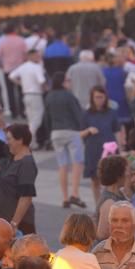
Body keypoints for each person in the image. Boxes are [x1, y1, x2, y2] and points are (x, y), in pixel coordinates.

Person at [43, 71, 87, 208]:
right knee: (77, 162)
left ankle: (64, 197)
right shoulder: (69, 96)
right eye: (67, 80)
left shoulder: (49, 96)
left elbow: (46, 117)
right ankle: (75, 193)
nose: (69, 82)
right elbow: (78, 114)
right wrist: (83, 129)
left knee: (62, 165)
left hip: (56, 132)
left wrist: (48, 133)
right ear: (63, 82)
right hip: (71, 131)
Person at [82, 86, 124, 207]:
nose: (99, 100)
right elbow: (79, 134)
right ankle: (98, 206)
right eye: (97, 97)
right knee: (95, 179)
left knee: (111, 179)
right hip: (92, 149)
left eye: (101, 97)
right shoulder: (86, 114)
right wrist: (88, 130)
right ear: (92, 98)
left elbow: (117, 131)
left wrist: (120, 149)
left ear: (105, 98)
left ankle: (109, 204)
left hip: (110, 150)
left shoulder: (111, 113)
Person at [0, 123, 38, 233]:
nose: (7, 143)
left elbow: (26, 197)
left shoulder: (26, 163)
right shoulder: (13, 158)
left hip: (20, 224)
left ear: (20, 140)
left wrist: (14, 223)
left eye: (9, 139)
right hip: (5, 220)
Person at [8, 49, 47, 136]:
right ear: (30, 56)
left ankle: (33, 142)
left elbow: (11, 76)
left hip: (26, 95)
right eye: (36, 55)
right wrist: (46, 89)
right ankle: (28, 138)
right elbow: (41, 81)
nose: (38, 57)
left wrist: (21, 84)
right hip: (36, 95)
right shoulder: (37, 67)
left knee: (31, 120)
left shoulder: (23, 66)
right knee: (37, 119)